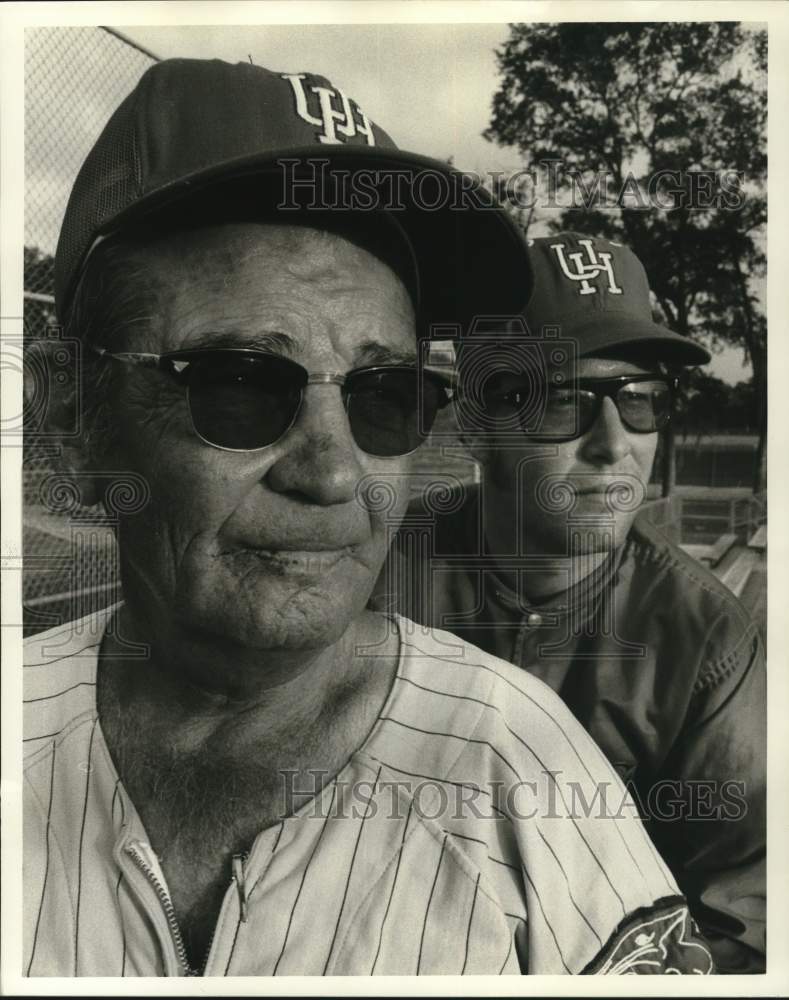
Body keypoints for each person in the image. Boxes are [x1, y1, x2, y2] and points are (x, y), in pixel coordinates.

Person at [24, 62, 714, 977]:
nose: (337, 471)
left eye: (385, 395)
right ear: (71, 415)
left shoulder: (525, 763)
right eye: (239, 384)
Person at [373, 232, 766, 973]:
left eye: (641, 401)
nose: (614, 444)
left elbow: (741, 933)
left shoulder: (703, 640)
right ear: (476, 425)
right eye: (564, 402)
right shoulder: (379, 569)